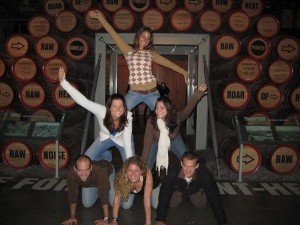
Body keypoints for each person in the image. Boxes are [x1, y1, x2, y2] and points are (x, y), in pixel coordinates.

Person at [88, 10, 188, 111]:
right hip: (134, 93)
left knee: (166, 115)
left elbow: (168, 63)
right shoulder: (128, 51)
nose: (145, 39)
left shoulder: (150, 53)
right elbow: (113, 34)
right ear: (138, 36)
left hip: (152, 93)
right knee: (118, 112)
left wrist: (184, 72)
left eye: (148, 38)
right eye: (143, 36)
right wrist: (100, 17)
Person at [58, 67, 134, 162]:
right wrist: (64, 83)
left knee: (130, 163)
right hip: (105, 138)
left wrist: (130, 164)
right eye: (114, 106)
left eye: (121, 106)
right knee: (86, 160)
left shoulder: (127, 118)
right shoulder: (102, 111)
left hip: (122, 140)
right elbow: (83, 101)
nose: (118, 109)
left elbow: (127, 144)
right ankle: (106, 158)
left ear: (124, 108)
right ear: (109, 107)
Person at [141, 84, 208, 173]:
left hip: (174, 139)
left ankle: (198, 164)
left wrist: (196, 95)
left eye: (162, 108)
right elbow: (146, 144)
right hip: (155, 141)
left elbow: (187, 111)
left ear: (168, 109)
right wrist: (142, 164)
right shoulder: (151, 121)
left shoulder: (176, 117)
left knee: (187, 159)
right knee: (146, 166)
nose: (158, 110)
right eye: (156, 107)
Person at [155, 151, 227, 225]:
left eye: (192, 167)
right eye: (185, 166)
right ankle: (180, 193)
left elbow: (215, 196)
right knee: (172, 204)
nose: (188, 170)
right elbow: (164, 194)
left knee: (200, 205)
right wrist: (160, 219)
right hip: (179, 187)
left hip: (194, 188)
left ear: (197, 166)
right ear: (181, 164)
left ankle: (196, 193)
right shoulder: (173, 172)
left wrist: (222, 222)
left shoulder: (204, 173)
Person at [62, 155, 115, 225]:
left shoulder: (101, 170)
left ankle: (106, 155)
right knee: (87, 204)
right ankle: (98, 187)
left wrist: (106, 218)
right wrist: (72, 217)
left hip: (108, 173)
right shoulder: (70, 172)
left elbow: (104, 193)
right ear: (75, 169)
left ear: (91, 168)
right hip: (90, 182)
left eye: (86, 170)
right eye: (80, 170)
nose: (83, 174)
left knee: (112, 202)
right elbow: (72, 194)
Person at [110, 156, 160, 225]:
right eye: (130, 170)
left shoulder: (148, 174)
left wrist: (148, 223)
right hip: (132, 188)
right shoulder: (122, 176)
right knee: (126, 206)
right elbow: (117, 198)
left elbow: (146, 200)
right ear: (125, 170)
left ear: (141, 171)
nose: (133, 174)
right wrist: (114, 220)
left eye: (136, 171)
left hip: (153, 186)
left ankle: (160, 187)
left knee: (156, 205)